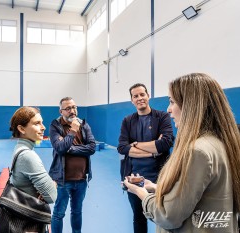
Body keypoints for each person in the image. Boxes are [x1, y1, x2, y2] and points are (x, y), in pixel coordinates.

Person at [124, 73, 240, 233]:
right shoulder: (219, 142)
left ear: (191, 105)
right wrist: (157, 188)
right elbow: (198, 195)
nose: (169, 109)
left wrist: (141, 192)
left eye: (172, 102)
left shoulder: (197, 151)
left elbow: (168, 216)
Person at [117, 83, 174, 233]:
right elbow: (122, 147)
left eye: (142, 94)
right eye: (135, 96)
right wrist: (153, 151)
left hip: (159, 178)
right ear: (132, 100)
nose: (139, 98)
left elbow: (165, 143)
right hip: (135, 177)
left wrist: (135, 145)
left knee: (163, 218)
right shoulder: (128, 121)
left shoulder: (162, 117)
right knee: (139, 217)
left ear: (148, 96)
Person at [49, 97, 96, 233]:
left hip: (81, 179)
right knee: (58, 213)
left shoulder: (84, 124)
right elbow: (60, 148)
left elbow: (92, 147)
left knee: (77, 212)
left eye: (74, 107)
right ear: (61, 111)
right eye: (68, 108)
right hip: (62, 179)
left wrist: (71, 149)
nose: (72, 111)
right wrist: (73, 131)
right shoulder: (55, 126)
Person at [9, 106, 57, 232]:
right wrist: (52, 184)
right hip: (30, 223)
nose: (43, 127)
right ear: (21, 128)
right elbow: (52, 196)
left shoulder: (19, 149)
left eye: (42, 122)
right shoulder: (27, 156)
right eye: (37, 123)